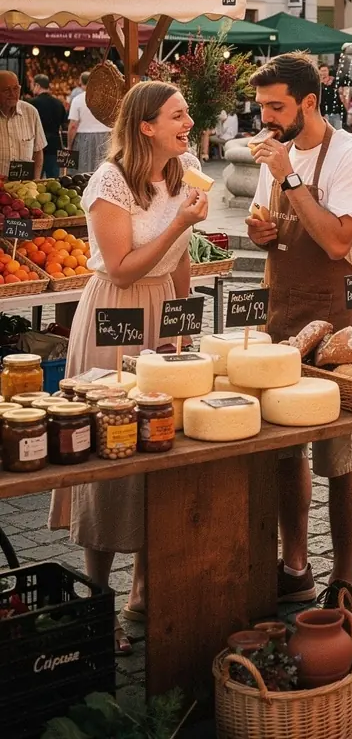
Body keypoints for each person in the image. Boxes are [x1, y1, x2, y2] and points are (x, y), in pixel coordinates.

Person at [48, 82, 209, 655]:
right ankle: (98, 602)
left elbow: (181, 257)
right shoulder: (109, 182)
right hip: (115, 313)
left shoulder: (185, 167)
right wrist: (177, 223)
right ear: (146, 126)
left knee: (160, 442)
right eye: (178, 114)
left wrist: (186, 324)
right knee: (110, 446)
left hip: (163, 307)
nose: (189, 122)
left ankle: (145, 592)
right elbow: (118, 269)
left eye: (187, 113)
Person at [245, 53, 352, 604]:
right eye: (261, 108)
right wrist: (261, 233)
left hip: (340, 316)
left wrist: (289, 176)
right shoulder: (271, 158)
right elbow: (268, 228)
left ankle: (343, 579)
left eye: (276, 107)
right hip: (283, 312)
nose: (267, 118)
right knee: (284, 449)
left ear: (308, 101)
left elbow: (337, 243)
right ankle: (295, 564)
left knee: (342, 455)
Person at [0, 69, 46, 179]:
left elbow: (38, 151)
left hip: (24, 190)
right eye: (6, 90)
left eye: (16, 89)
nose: (12, 94)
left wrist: (36, 181)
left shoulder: (31, 112)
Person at [68, 71, 112, 173]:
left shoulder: (77, 99)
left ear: (80, 82)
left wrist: (69, 145)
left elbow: (73, 125)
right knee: (103, 171)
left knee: (83, 172)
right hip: (106, 138)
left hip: (84, 139)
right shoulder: (107, 99)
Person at [30, 74, 67, 178]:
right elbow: (64, 126)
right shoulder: (59, 103)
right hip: (54, 147)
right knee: (53, 182)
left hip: (36, 147)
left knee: (35, 183)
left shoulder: (32, 104)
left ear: (37, 85)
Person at [318, 63, 346, 130]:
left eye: (325, 70)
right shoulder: (318, 84)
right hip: (324, 113)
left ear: (328, 71)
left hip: (335, 112)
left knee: (338, 131)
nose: (324, 73)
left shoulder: (335, 82)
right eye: (322, 71)